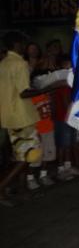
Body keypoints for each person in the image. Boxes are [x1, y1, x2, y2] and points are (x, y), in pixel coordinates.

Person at [0, 32, 63, 206]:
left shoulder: (4, 63)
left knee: (23, 154)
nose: (24, 47)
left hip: (10, 115)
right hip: (21, 115)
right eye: (22, 44)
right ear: (17, 44)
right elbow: (24, 92)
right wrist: (48, 88)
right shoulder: (20, 63)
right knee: (30, 155)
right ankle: (3, 187)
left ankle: (20, 188)